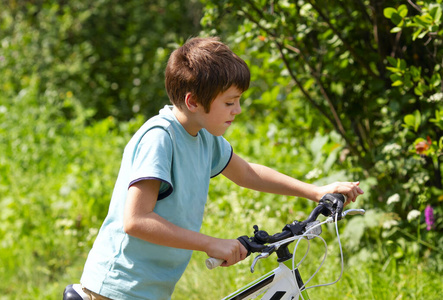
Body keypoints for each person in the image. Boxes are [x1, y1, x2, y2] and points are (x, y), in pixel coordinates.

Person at [79, 37, 364, 300]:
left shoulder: (205, 138)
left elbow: (247, 173)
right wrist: (209, 243)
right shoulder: (160, 138)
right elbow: (136, 220)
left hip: (150, 287)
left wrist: (315, 191)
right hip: (117, 286)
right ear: (193, 102)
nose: (237, 110)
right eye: (229, 102)